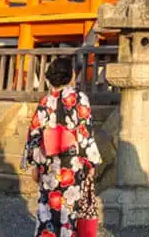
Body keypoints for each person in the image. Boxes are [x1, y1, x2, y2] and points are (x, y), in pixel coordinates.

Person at [22, 54, 102, 237]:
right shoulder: (80, 99)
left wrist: (34, 164)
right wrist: (91, 163)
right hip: (71, 166)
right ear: (71, 75)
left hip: (48, 165)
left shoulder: (44, 102)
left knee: (47, 210)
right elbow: (85, 132)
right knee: (69, 210)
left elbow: (34, 134)